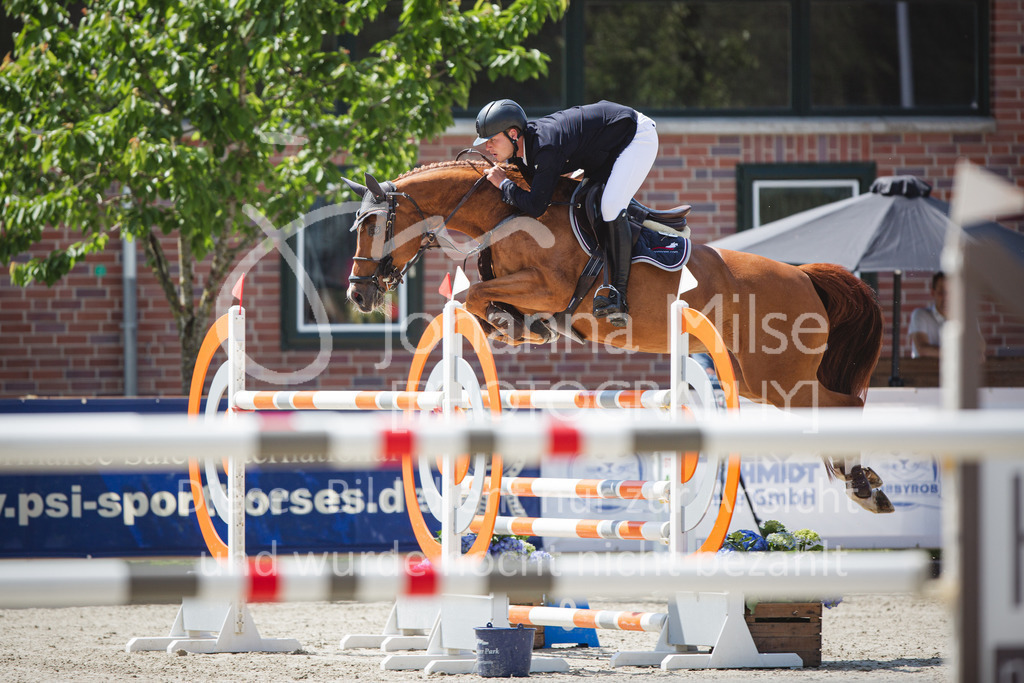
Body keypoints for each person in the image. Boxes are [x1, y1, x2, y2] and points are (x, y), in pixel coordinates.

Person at [472, 99, 659, 327]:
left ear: (513, 134)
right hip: (602, 148)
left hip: (634, 137)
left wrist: (503, 185)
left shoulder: (544, 147)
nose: (487, 147)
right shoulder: (523, 151)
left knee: (610, 206)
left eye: (492, 140)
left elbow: (536, 206)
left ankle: (616, 294)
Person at [908, 271, 986, 359]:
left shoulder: (966, 317)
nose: (946, 297)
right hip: (925, 371)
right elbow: (923, 350)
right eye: (941, 292)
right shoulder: (920, 315)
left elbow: (980, 346)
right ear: (933, 293)